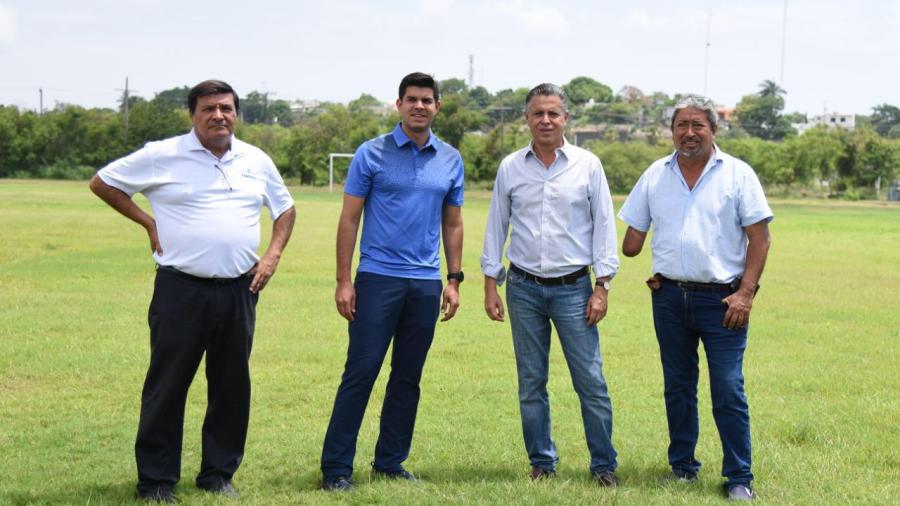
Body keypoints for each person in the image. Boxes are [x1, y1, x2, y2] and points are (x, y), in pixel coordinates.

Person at [89, 79, 296, 503]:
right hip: (180, 290)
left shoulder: (255, 159)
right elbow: (103, 182)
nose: (219, 115)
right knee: (168, 385)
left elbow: (286, 207)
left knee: (231, 385)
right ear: (192, 114)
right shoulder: (162, 154)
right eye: (209, 108)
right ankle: (156, 480)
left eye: (226, 108)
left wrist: (272, 254)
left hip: (240, 290)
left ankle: (218, 474)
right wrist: (148, 222)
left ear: (236, 113)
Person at [618, 94, 772, 501]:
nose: (689, 133)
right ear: (671, 131)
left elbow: (760, 237)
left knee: (727, 388)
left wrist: (746, 293)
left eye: (697, 125)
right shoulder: (655, 174)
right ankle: (683, 468)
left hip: (725, 302)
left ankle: (739, 477)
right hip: (669, 298)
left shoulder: (737, 175)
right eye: (681, 125)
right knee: (678, 387)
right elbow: (631, 244)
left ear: (713, 130)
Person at [320, 72, 465, 492]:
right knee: (361, 371)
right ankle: (336, 469)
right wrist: (344, 280)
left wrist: (453, 280)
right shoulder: (371, 153)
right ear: (398, 105)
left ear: (438, 106)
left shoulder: (450, 159)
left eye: (427, 100)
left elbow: (453, 224)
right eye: (411, 99)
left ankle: (390, 461)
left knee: (407, 376)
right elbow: (349, 219)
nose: (419, 106)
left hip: (424, 285)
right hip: (377, 279)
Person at [480, 83, 620, 486]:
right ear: (526, 118)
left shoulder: (587, 165)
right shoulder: (511, 166)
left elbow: (604, 227)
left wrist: (602, 285)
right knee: (530, 381)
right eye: (538, 113)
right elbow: (497, 226)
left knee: (590, 380)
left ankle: (603, 465)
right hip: (523, 287)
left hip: (575, 289)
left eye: (553, 113)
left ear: (566, 119)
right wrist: (492, 284)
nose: (545, 120)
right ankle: (542, 461)